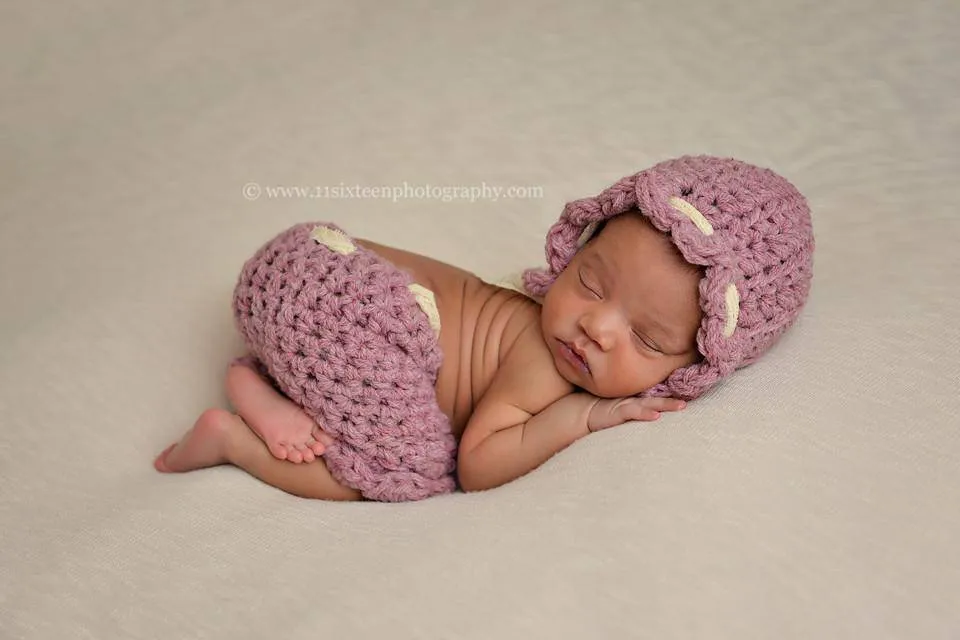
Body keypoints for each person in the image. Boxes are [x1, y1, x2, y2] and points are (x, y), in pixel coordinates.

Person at [154, 156, 815, 501]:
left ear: (697, 364)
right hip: (353, 303)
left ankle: (260, 382)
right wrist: (579, 421)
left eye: (646, 339)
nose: (596, 328)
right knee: (410, 473)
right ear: (573, 248)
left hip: (304, 261)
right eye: (589, 282)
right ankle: (235, 441)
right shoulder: (542, 362)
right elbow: (478, 462)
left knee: (368, 381)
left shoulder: (551, 335)